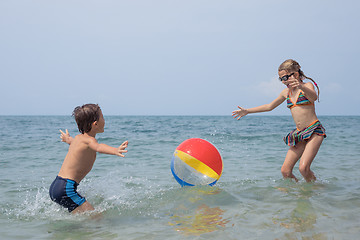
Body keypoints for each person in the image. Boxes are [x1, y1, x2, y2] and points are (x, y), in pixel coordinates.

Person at [232, 59, 326, 182]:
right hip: (300, 133)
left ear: (296, 74)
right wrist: (247, 111)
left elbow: (313, 97)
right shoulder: (285, 93)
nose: (283, 81)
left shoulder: (306, 86)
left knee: (303, 168)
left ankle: (316, 189)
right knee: (285, 171)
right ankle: (296, 195)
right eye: (281, 79)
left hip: (314, 131)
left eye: (285, 77)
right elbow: (269, 106)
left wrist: (300, 86)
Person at [49, 104, 128, 213]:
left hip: (57, 185)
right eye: (103, 117)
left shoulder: (78, 139)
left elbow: (73, 144)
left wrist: (67, 139)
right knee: (94, 216)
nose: (105, 120)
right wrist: (115, 150)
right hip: (66, 188)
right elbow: (99, 147)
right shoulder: (90, 141)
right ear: (95, 124)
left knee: (84, 216)